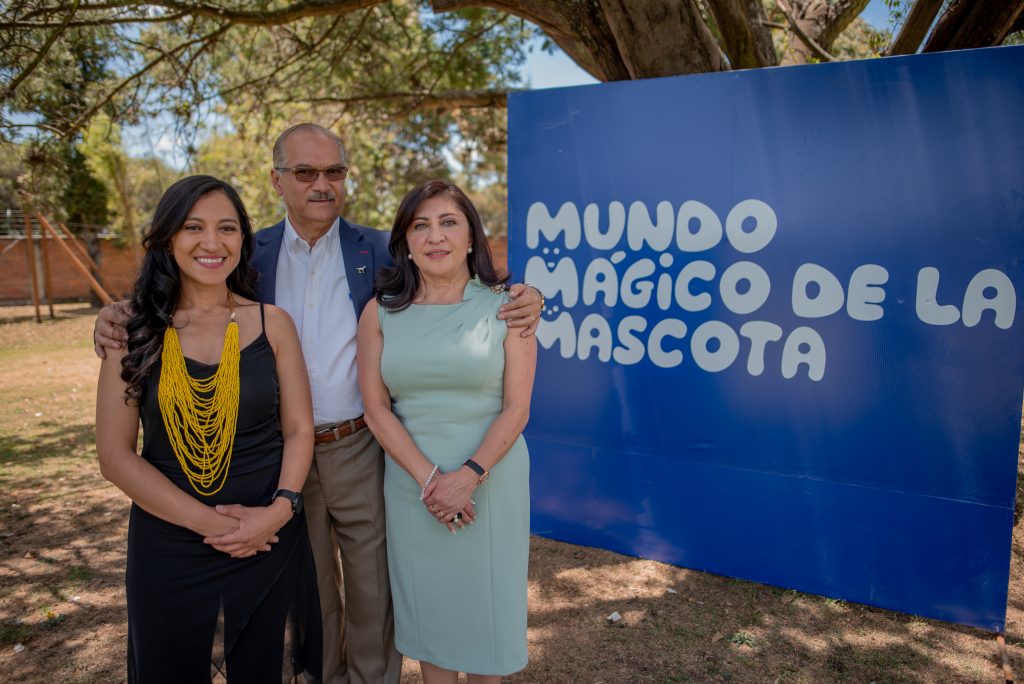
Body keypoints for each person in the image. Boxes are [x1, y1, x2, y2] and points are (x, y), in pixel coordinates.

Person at [93, 123, 544, 684]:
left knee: (374, 587)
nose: (321, 184)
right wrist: (115, 317)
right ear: (276, 180)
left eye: (334, 171)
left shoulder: (382, 250)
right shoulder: (246, 252)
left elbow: (448, 279)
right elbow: (183, 296)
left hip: (360, 442)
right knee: (308, 591)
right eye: (304, 172)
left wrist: (529, 294)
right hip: (279, 452)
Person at [95, 175, 321, 682]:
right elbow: (114, 456)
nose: (212, 242)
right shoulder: (131, 330)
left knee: (264, 668)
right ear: (168, 237)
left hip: (268, 537)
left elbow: (299, 428)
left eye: (227, 228)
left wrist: (278, 511)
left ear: (243, 239)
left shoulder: (273, 323)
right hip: (169, 542)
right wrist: (216, 526)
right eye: (193, 227)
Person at [357, 180, 535, 683]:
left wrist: (468, 476)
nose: (435, 236)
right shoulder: (380, 311)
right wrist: (431, 481)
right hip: (412, 486)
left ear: (472, 237)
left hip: (490, 482)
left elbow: (517, 408)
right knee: (432, 621)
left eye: (449, 222)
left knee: (486, 623)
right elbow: (376, 409)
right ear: (405, 243)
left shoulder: (509, 306)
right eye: (421, 225)